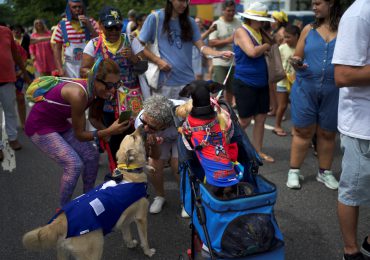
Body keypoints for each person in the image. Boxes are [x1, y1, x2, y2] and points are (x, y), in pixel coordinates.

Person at [24, 59, 131, 208]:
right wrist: (108, 131)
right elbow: (80, 134)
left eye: (116, 85)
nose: (113, 90)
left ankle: (88, 201)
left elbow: (93, 118)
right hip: (39, 127)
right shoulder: (79, 94)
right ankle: (62, 212)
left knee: (92, 156)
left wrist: (114, 129)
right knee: (73, 164)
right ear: (95, 79)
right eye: (109, 85)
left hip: (59, 124)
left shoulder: (96, 91)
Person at [286, 0, 342, 190]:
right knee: (302, 131)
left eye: (318, 3)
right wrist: (295, 62)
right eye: (312, 3)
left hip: (334, 89)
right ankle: (294, 171)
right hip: (305, 87)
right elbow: (297, 56)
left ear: (331, 3)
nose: (314, 7)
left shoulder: (346, 29)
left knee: (328, 133)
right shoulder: (308, 29)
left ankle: (324, 172)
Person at [81, 6, 145, 160]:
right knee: (114, 139)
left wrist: (133, 58)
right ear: (101, 25)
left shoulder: (131, 40)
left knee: (132, 138)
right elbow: (83, 70)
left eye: (117, 26)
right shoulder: (94, 44)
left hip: (130, 101)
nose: (114, 31)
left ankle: (133, 172)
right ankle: (117, 173)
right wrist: (100, 74)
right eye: (110, 27)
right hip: (107, 102)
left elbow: (144, 67)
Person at [332, 0, 370, 259]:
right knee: (352, 191)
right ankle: (351, 250)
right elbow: (343, 75)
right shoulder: (359, 12)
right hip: (362, 125)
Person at [139, 0, 234, 100]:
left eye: (187, 1)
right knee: (165, 115)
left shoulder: (190, 22)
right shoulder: (155, 18)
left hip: (188, 84)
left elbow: (202, 48)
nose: (184, 5)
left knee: (186, 115)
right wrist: (157, 61)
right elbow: (138, 46)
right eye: (181, 1)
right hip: (164, 83)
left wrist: (219, 53)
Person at [232, 2, 275, 163]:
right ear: (251, 18)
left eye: (263, 19)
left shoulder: (259, 31)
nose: (262, 22)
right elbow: (252, 52)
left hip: (261, 81)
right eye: (260, 19)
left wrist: (267, 43)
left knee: (261, 118)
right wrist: (266, 45)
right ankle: (226, 143)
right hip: (245, 81)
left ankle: (257, 151)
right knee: (244, 120)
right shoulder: (241, 31)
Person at [134, 95, 187, 217]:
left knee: (178, 165)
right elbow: (154, 156)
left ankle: (186, 200)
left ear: (165, 125)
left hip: (180, 134)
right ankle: (159, 196)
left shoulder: (183, 113)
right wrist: (153, 145)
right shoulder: (141, 122)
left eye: (151, 126)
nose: (145, 127)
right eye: (144, 122)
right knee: (154, 166)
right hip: (161, 138)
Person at [0, 25, 31, 161]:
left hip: (7, 78)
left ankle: (12, 138)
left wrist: (24, 73)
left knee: (10, 111)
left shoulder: (6, 31)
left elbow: (16, 54)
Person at [53, 0, 98, 77]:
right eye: (74, 7)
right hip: (70, 67)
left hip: (89, 65)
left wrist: (89, 26)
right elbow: (57, 49)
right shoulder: (62, 25)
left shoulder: (91, 22)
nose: (77, 9)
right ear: (69, 9)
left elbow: (100, 40)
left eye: (80, 7)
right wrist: (60, 69)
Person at [208, 0, 241, 106]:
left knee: (231, 88)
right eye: (228, 11)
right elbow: (211, 42)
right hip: (220, 62)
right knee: (220, 88)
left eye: (233, 10)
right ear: (223, 11)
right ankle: (218, 108)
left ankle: (229, 107)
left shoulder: (238, 22)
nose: (231, 13)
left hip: (234, 62)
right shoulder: (217, 24)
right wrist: (228, 40)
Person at [273, 25, 300, 137]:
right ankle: (277, 125)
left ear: (297, 36)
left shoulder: (301, 47)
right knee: (282, 106)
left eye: (288, 37)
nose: (286, 40)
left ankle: (295, 128)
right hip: (282, 81)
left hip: (297, 81)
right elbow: (276, 63)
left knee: (296, 105)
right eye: (285, 37)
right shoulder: (282, 48)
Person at [267, 10, 289, 116]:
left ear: (280, 21)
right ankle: (275, 109)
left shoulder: (282, 32)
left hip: (279, 63)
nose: (272, 21)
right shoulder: (275, 31)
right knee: (272, 87)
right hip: (273, 61)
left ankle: (280, 111)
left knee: (276, 88)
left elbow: (283, 49)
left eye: (274, 19)